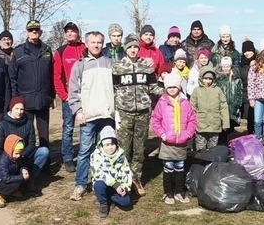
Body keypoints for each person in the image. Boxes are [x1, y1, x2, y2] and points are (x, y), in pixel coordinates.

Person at [112, 34, 163, 196]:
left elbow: (154, 87)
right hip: (124, 112)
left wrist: (169, 93)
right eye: (130, 47)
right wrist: (115, 111)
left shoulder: (146, 66)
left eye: (135, 47)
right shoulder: (117, 67)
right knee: (124, 148)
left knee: (139, 149)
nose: (133, 50)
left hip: (142, 112)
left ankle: (136, 178)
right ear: (125, 49)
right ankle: (123, 179)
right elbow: (113, 90)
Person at [68, 31, 115, 201]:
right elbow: (72, 92)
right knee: (85, 151)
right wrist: (78, 111)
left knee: (109, 150)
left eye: (99, 42)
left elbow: (117, 89)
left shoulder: (110, 63)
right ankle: (80, 184)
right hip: (88, 116)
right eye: (93, 42)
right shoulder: (79, 65)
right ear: (86, 44)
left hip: (107, 115)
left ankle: (108, 181)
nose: (96, 45)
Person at [10, 20, 55, 155]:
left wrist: (52, 95)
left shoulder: (47, 50)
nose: (34, 32)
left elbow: (51, 74)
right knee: (27, 134)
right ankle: (27, 163)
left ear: (40, 32)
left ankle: (45, 165)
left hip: (43, 99)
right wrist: (15, 99)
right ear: (27, 32)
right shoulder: (18, 52)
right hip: (25, 101)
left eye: (36, 30)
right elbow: (12, 77)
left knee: (44, 135)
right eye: (31, 30)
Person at [151, 73, 197, 204]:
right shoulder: (162, 102)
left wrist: (188, 134)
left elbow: (192, 120)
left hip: (181, 142)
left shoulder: (185, 102)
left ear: (179, 87)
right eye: (169, 87)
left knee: (180, 168)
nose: (172, 89)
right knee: (168, 168)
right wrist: (163, 134)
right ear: (166, 88)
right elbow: (156, 120)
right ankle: (168, 193)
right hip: (167, 142)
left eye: (174, 87)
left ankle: (179, 192)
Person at [0, 96, 49, 194]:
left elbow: (32, 143)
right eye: (17, 108)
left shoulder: (28, 123)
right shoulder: (2, 125)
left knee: (44, 151)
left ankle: (31, 179)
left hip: (24, 155)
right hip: (9, 158)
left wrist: (21, 155)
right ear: (11, 108)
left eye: (22, 109)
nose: (19, 111)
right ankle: (16, 181)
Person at [53, 21, 86, 173]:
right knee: (68, 128)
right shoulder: (60, 51)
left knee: (85, 127)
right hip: (69, 98)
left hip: (85, 97)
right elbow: (57, 76)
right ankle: (67, 158)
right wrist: (64, 96)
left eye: (73, 31)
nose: (70, 34)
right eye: (67, 32)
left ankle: (85, 155)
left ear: (78, 33)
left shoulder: (86, 48)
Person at [90, 126, 132, 218]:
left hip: (118, 186)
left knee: (126, 202)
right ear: (102, 145)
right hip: (105, 184)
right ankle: (104, 204)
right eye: (107, 145)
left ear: (116, 144)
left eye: (112, 144)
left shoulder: (121, 155)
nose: (110, 147)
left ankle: (111, 198)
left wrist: (125, 186)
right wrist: (115, 184)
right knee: (98, 184)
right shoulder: (96, 155)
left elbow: (127, 172)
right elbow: (98, 173)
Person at [190, 65, 229, 150]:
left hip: (214, 125)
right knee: (201, 149)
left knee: (213, 150)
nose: (207, 81)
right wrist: (192, 124)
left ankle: (211, 163)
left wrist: (225, 123)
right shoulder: (196, 91)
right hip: (201, 126)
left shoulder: (218, 90)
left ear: (213, 79)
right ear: (201, 78)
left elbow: (223, 106)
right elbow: (192, 108)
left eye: (210, 79)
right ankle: (201, 163)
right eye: (205, 78)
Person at [0, 134, 29, 208]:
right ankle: (0, 196)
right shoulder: (2, 161)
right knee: (15, 184)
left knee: (17, 181)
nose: (18, 156)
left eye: (20, 153)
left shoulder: (16, 158)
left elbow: (21, 164)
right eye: (16, 153)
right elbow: (6, 178)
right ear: (9, 150)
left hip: (7, 178)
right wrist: (21, 177)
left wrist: (23, 169)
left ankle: (11, 192)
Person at [215, 56, 243, 144]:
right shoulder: (219, 80)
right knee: (222, 130)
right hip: (223, 109)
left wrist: (237, 105)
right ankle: (221, 147)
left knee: (231, 130)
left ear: (231, 66)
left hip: (233, 108)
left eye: (227, 66)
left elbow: (240, 93)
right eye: (224, 66)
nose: (226, 68)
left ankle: (230, 147)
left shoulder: (237, 80)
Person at [240, 39, 257, 134]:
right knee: (250, 120)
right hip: (246, 95)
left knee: (260, 120)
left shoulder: (259, 62)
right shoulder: (241, 64)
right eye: (245, 51)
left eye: (249, 51)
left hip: (258, 95)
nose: (247, 53)